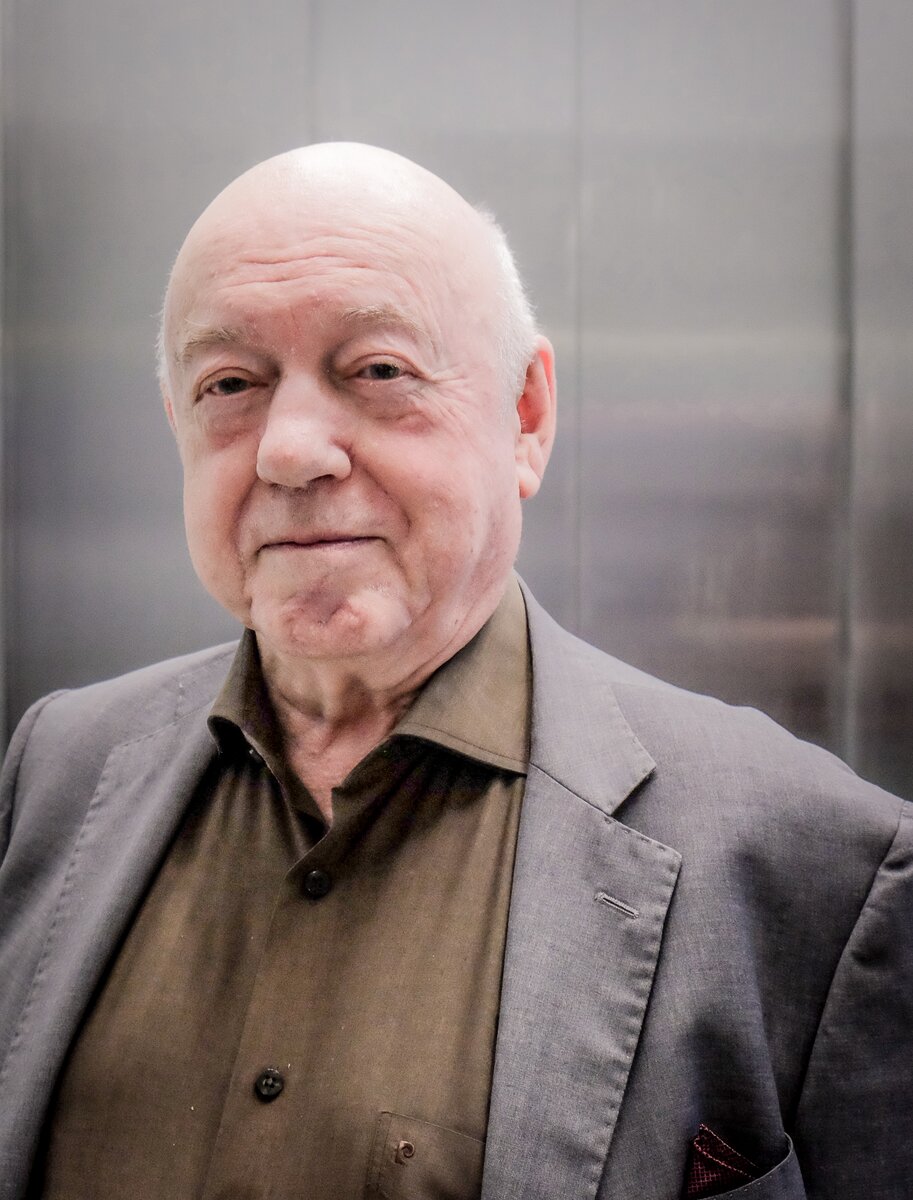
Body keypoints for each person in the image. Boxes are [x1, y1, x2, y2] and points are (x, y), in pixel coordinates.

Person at [0, 143, 910, 1200]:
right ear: (178, 426)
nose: (289, 449)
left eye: (378, 370)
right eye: (230, 384)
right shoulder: (55, 772)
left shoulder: (816, 868)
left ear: (525, 416)